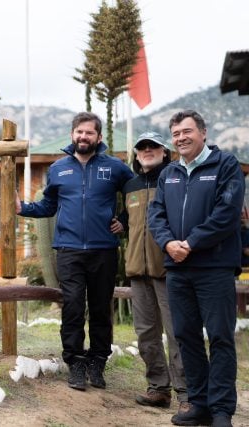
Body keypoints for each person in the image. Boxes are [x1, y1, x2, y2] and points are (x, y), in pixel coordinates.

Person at [15, 112, 133, 391]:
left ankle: (98, 361)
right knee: (74, 308)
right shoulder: (58, 169)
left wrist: (126, 220)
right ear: (72, 134)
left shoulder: (115, 167)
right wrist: (24, 209)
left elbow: (138, 194)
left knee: (102, 310)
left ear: (99, 137)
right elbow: (48, 206)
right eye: (79, 132)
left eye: (89, 133)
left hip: (104, 250)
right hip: (68, 250)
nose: (83, 137)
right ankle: (76, 362)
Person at [148, 110, 243, 427]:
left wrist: (190, 243)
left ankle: (221, 410)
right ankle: (198, 403)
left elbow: (227, 213)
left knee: (220, 338)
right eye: (175, 134)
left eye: (186, 131)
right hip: (177, 268)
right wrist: (167, 243)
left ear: (203, 133)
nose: (181, 138)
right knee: (185, 336)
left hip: (214, 267)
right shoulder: (168, 173)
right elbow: (156, 215)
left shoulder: (225, 166)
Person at [121, 132, 188, 411]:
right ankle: (158, 388)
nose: (147, 150)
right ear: (136, 155)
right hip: (138, 270)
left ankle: (187, 394)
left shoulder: (175, 179)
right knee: (146, 334)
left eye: (154, 147)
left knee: (178, 333)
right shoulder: (129, 186)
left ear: (164, 152)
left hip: (170, 270)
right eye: (142, 148)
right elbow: (125, 222)